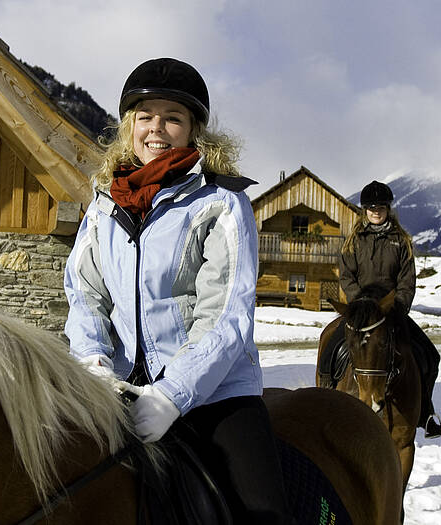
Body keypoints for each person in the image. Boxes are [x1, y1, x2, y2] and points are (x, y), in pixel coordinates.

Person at [62, 57, 289, 524]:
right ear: (129, 126)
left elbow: (226, 315)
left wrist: (172, 394)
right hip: (120, 388)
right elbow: (86, 295)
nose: (156, 129)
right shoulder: (104, 205)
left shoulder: (222, 202)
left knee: (263, 514)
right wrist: (93, 363)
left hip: (217, 394)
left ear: (193, 130)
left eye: (172, 118)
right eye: (145, 116)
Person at [321, 180, 441, 439]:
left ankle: (426, 412)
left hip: (392, 312)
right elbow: (346, 277)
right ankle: (326, 402)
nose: (376, 211)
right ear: (364, 210)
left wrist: (397, 307)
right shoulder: (353, 241)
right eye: (371, 207)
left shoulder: (401, 241)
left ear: (388, 208)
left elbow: (407, 281)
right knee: (331, 349)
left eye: (381, 207)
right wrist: (362, 305)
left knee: (429, 355)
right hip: (361, 310)